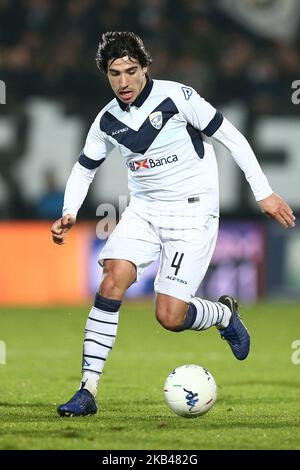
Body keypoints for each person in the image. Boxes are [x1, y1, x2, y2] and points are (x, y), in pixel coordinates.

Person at [51, 32, 296, 417]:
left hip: (192, 212)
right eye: (115, 73)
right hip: (144, 210)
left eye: (132, 71)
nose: (124, 82)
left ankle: (224, 314)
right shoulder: (106, 120)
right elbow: (85, 168)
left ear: (146, 68)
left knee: (170, 317)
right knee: (113, 278)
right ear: (107, 74)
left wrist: (263, 192)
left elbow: (232, 138)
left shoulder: (178, 97)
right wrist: (69, 211)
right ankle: (87, 390)